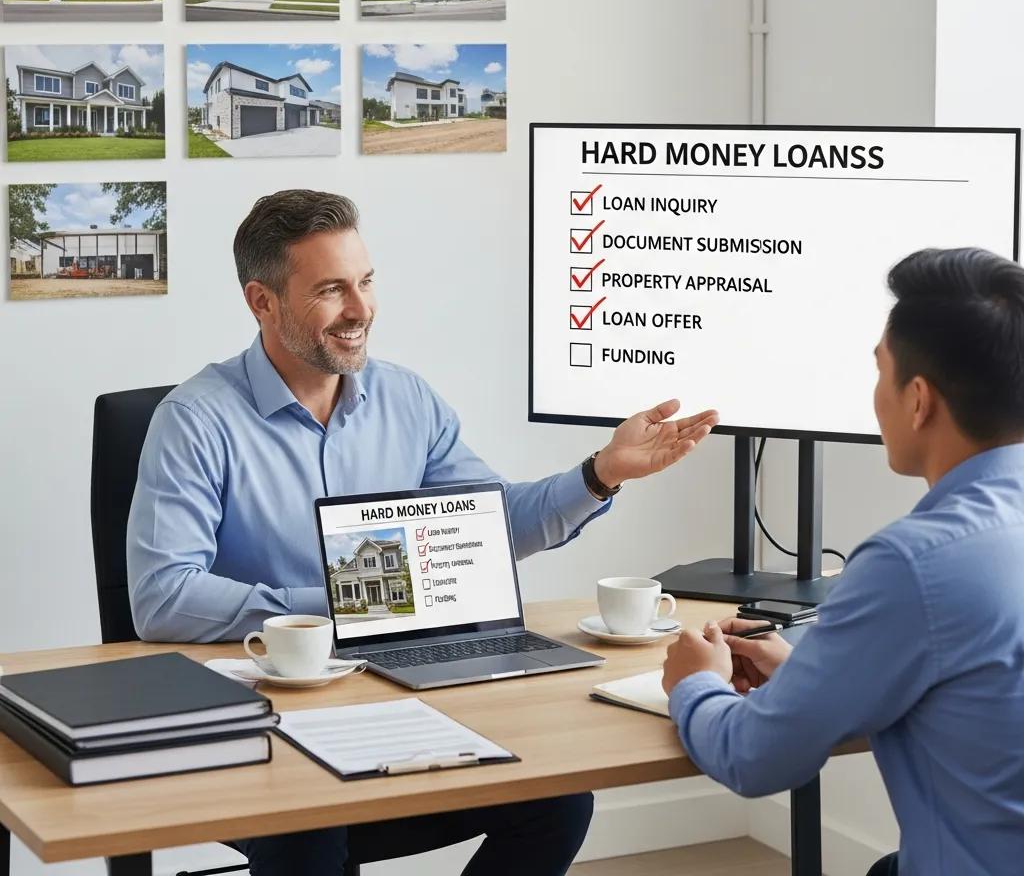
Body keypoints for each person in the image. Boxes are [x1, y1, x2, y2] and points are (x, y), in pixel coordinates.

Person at [127, 188, 718, 876]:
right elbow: (162, 597)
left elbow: (491, 525)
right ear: (263, 302)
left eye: (366, 281)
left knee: (559, 802)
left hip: (398, 700)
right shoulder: (195, 422)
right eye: (330, 290)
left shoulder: (406, 399)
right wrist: (346, 607)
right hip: (271, 733)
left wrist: (601, 472)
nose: (360, 310)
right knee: (309, 836)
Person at [660, 247, 1024, 876]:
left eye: (879, 372)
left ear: (918, 400)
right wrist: (811, 673)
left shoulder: (914, 562)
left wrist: (694, 680)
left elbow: (754, 757)